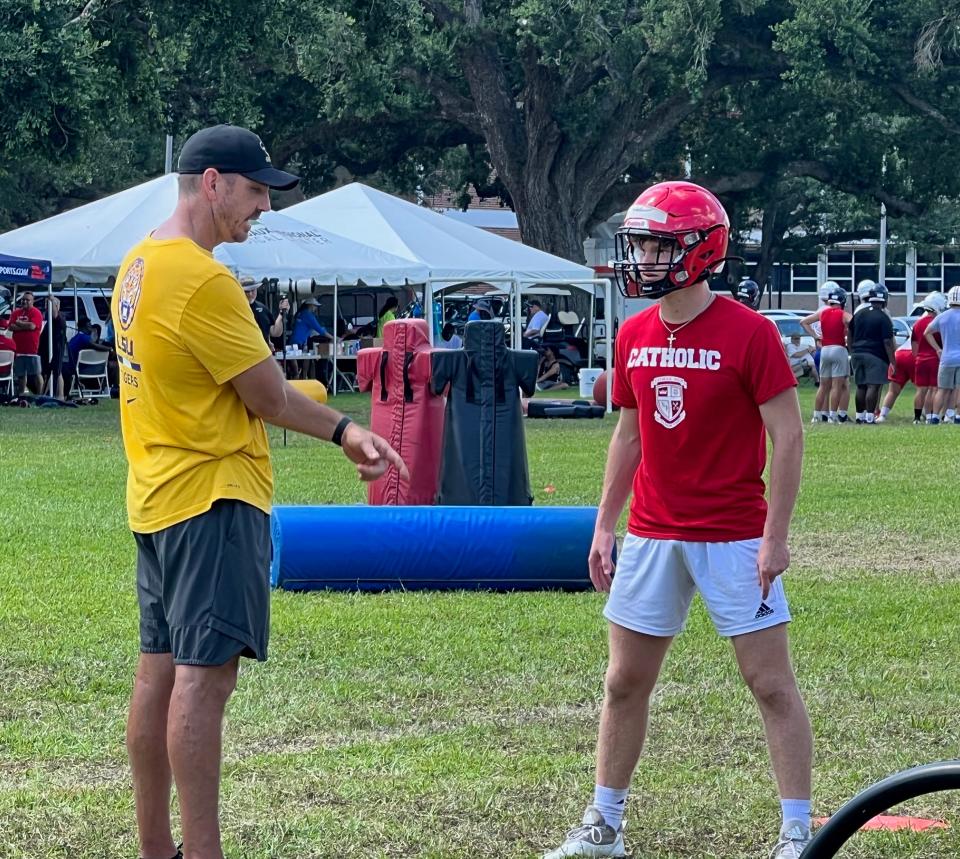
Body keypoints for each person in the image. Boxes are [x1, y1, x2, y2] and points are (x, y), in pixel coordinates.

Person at [113, 124, 407, 859]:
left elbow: (219, 384)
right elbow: (268, 396)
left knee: (156, 677)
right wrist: (346, 430)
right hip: (212, 499)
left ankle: (157, 848)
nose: (261, 210)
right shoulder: (201, 276)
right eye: (253, 192)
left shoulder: (138, 265)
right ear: (212, 183)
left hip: (155, 498)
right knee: (203, 685)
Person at [543, 181, 811, 859]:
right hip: (654, 531)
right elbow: (628, 435)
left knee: (770, 683)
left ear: (700, 250)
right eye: (641, 243)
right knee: (623, 680)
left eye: (658, 244)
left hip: (733, 533)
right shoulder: (635, 332)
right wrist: (606, 523)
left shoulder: (750, 333)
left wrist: (775, 536)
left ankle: (797, 832)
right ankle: (604, 824)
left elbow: (789, 434)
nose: (644, 257)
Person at [847, 283, 895, 424]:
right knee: (873, 386)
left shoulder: (859, 314)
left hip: (857, 353)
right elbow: (887, 342)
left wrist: (851, 350)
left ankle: (859, 416)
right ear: (884, 300)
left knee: (861, 385)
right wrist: (893, 361)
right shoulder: (883, 317)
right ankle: (869, 417)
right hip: (875, 355)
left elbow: (850, 333)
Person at [801, 286, 850, 423]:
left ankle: (816, 415)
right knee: (837, 385)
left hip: (825, 349)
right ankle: (833, 415)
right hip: (839, 348)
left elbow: (803, 322)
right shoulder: (842, 314)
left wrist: (816, 336)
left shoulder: (823, 313)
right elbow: (854, 322)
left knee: (823, 385)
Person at [925, 285, 960, 424]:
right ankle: (958, 416)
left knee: (942, 390)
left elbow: (927, 332)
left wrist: (938, 349)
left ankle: (934, 417)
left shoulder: (942, 317)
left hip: (946, 359)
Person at [909, 292, 947, 423]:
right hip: (935, 359)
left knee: (921, 390)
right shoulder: (938, 323)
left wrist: (917, 357)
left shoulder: (917, 323)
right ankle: (930, 416)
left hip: (920, 359)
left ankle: (917, 418)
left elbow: (914, 344)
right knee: (934, 389)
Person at [8, 290, 44, 394]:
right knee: (21, 375)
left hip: (32, 349)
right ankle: (21, 395)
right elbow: (10, 327)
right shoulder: (16, 312)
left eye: (27, 300)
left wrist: (19, 323)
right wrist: (25, 326)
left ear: (33, 301)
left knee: (37, 373)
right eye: (23, 299)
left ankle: (39, 396)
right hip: (18, 349)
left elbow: (32, 326)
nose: (24, 301)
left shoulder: (36, 312)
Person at [241, 276, 289, 345]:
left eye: (253, 290)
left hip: (262, 353)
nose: (250, 294)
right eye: (247, 291)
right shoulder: (235, 309)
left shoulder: (262, 308)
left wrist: (281, 313)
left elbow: (275, 332)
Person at [39, 295, 67, 399]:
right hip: (47, 350)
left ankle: (60, 396)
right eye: (46, 304)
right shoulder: (49, 318)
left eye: (49, 305)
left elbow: (54, 313)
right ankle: (44, 394)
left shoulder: (59, 317)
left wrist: (51, 300)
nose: (47, 307)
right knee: (48, 373)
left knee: (57, 372)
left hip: (56, 348)